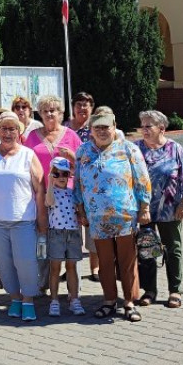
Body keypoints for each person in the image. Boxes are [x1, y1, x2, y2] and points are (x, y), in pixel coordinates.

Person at [73, 107, 151, 322]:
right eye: (97, 128)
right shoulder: (83, 152)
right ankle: (109, 300)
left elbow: (142, 179)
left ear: (114, 127)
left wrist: (144, 208)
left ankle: (128, 302)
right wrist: (80, 209)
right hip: (97, 217)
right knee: (105, 261)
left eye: (106, 127)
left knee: (126, 260)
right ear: (90, 130)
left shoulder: (128, 149)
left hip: (125, 214)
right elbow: (78, 183)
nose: (102, 131)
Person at [0, 111, 47, 322]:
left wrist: (41, 219)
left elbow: (40, 189)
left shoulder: (28, 155)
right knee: (4, 262)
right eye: (3, 128)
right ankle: (15, 299)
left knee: (26, 261)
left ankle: (28, 300)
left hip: (23, 220)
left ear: (19, 132)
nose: (8, 133)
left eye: (12, 129)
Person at [134, 110, 183, 309]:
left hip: (170, 209)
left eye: (148, 126)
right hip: (143, 210)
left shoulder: (175, 150)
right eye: (142, 126)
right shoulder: (136, 149)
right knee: (146, 249)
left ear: (161, 128)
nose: (144, 130)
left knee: (173, 249)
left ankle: (174, 290)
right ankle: (149, 290)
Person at [24, 94, 82, 290]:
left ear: (61, 113)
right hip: (39, 195)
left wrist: (72, 156)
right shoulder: (32, 136)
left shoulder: (71, 135)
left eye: (53, 110)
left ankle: (71, 286)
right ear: (39, 113)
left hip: (67, 199)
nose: (49, 114)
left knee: (67, 239)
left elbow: (83, 165)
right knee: (42, 237)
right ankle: (43, 282)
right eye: (45, 111)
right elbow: (24, 164)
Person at [66, 91, 100, 282]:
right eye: (78, 104)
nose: (82, 108)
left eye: (86, 105)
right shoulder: (65, 127)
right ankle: (70, 268)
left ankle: (95, 268)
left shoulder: (96, 128)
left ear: (91, 107)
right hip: (69, 186)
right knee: (72, 230)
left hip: (91, 186)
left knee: (92, 229)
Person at [44, 158, 85, 316]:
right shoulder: (51, 192)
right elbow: (49, 202)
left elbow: (79, 205)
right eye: (56, 173)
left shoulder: (72, 192)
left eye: (65, 174)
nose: (61, 177)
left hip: (73, 232)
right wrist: (49, 181)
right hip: (56, 233)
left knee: (71, 267)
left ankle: (74, 299)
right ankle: (54, 300)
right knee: (55, 268)